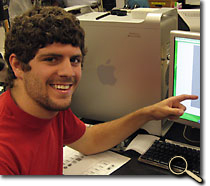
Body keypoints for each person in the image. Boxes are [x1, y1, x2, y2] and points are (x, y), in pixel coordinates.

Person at [0, 6, 198, 175]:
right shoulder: (5, 151)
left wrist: (149, 113)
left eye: (74, 60)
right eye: (51, 59)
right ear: (17, 65)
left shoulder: (47, 105)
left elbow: (89, 140)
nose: (68, 72)